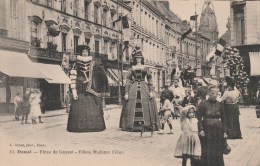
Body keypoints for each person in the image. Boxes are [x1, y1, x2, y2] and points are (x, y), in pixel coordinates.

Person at [67, 45, 109, 132]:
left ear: (88, 53)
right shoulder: (76, 64)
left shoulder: (93, 64)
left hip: (91, 90)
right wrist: (74, 91)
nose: (85, 53)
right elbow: (73, 77)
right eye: (83, 52)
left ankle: (93, 126)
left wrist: (99, 86)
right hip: (80, 89)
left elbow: (102, 74)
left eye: (86, 52)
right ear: (81, 53)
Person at [119, 47, 160, 131]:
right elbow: (128, 80)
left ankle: (147, 124)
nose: (138, 59)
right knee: (131, 101)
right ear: (135, 59)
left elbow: (149, 80)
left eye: (140, 58)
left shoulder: (146, 68)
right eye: (137, 58)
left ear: (142, 59)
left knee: (145, 101)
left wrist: (151, 91)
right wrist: (126, 92)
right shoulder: (132, 68)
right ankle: (131, 124)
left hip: (144, 86)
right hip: (133, 87)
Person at [196, 85, 227, 166]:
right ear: (208, 93)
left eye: (216, 93)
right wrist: (201, 129)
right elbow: (198, 118)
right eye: (212, 93)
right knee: (206, 150)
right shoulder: (203, 104)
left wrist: (225, 131)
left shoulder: (220, 104)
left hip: (217, 130)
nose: (214, 95)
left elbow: (224, 119)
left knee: (217, 150)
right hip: (206, 129)